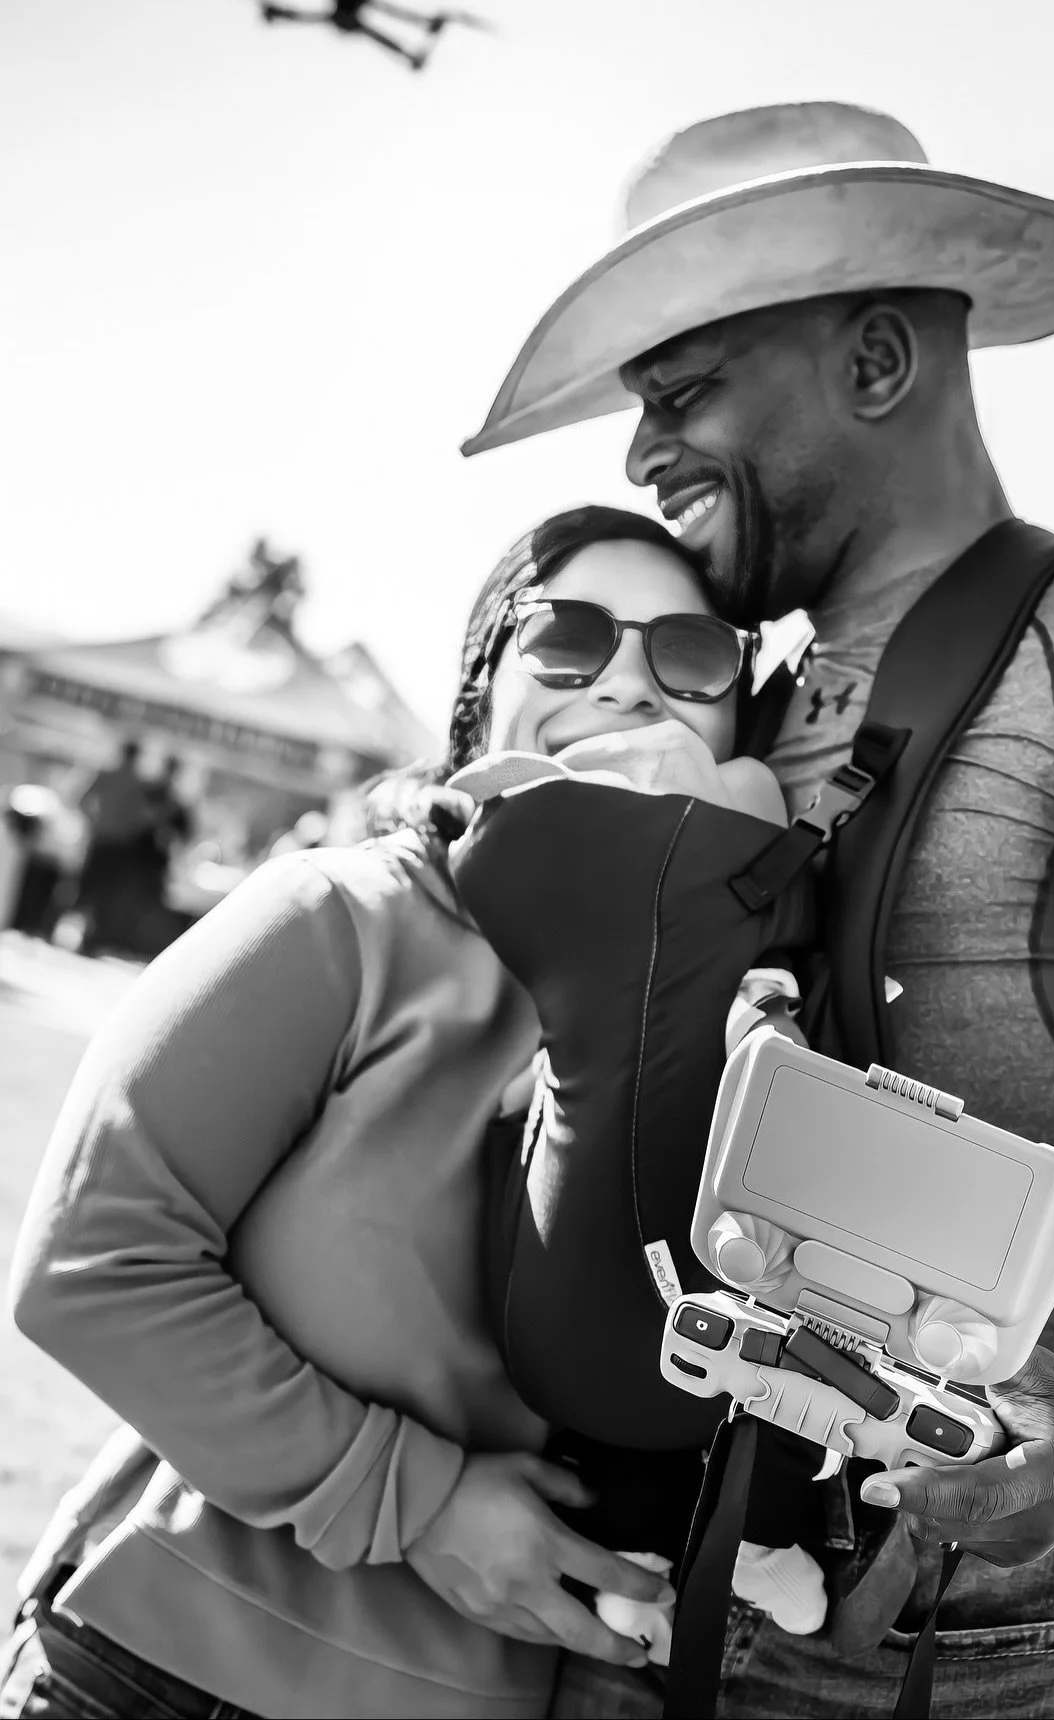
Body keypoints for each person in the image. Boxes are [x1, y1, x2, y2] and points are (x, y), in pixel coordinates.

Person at [454, 102, 1054, 1717]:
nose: (639, 455)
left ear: (878, 362)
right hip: (660, 1554)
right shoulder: (718, 692)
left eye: (683, 393)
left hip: (975, 1615)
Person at [2, 505, 778, 1720]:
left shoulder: (750, 1016)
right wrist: (413, 1500)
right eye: (568, 638)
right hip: (165, 1669)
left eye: (690, 654)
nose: (628, 683)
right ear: (477, 699)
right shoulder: (346, 920)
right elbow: (86, 1265)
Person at [73, 739, 151, 955]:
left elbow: (82, 801)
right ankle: (89, 940)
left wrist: (95, 822)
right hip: (118, 844)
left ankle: (68, 932)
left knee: (87, 887)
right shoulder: (136, 783)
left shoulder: (112, 776)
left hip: (103, 839)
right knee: (104, 893)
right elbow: (142, 818)